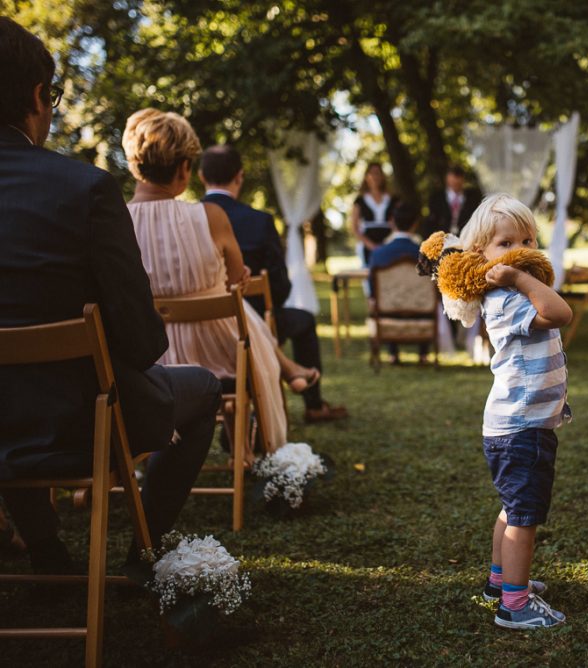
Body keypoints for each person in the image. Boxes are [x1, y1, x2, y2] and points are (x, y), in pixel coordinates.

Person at [0, 17, 219, 572]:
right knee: (202, 388)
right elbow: (144, 341)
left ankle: (47, 551)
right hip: (82, 424)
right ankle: (141, 554)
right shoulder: (85, 189)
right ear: (36, 96)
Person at [123, 108, 319, 454]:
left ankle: (288, 370)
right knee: (239, 311)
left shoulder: (117, 222)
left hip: (149, 354)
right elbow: (235, 281)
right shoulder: (210, 216)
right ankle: (286, 374)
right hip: (222, 353)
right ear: (185, 169)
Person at [459, 193, 573, 629]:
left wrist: (522, 276)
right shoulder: (508, 299)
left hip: (520, 423)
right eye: (506, 243)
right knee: (523, 516)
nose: (520, 251)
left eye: (527, 240)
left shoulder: (512, 292)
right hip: (521, 426)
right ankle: (515, 605)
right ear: (480, 255)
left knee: (511, 507)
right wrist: (523, 280)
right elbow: (560, 311)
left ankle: (499, 580)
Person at [200, 144, 347, 423]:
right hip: (254, 323)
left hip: (195, 328)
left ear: (200, 176)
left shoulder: (187, 222)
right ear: (239, 176)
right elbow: (280, 287)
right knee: (303, 319)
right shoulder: (259, 221)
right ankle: (313, 404)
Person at [368, 202, 429, 364]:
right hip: (422, 312)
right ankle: (423, 354)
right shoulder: (425, 254)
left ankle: (393, 353)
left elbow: (373, 290)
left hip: (389, 312)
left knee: (386, 299)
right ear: (415, 224)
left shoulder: (378, 254)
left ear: (392, 223)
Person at [351, 163, 397, 267]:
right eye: (372, 173)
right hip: (367, 243)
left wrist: (388, 243)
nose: (375, 176)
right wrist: (370, 245)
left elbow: (397, 223)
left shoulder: (392, 199)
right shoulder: (360, 201)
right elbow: (354, 228)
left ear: (383, 176)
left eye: (378, 173)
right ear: (366, 176)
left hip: (389, 242)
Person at [423, 165, 481, 238]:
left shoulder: (473, 198)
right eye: (453, 177)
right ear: (446, 178)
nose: (456, 181)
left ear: (463, 179)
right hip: (442, 241)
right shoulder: (436, 198)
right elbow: (431, 222)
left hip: (466, 239)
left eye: (458, 177)